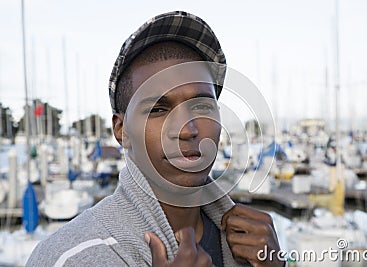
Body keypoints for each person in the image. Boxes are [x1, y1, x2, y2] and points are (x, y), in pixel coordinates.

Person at [27, 11, 283, 266]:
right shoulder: (67, 257)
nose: (187, 129)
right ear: (121, 130)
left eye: (202, 107)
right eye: (158, 110)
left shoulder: (250, 245)